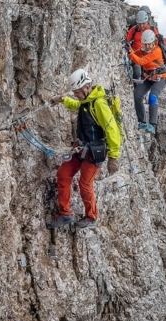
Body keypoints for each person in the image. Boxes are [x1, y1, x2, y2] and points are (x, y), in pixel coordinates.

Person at [47, 69, 121, 229]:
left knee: (85, 184)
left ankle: (91, 216)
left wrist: (114, 157)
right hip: (81, 148)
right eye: (74, 92)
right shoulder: (87, 100)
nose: (76, 95)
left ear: (86, 87)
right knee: (63, 174)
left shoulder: (99, 103)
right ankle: (65, 213)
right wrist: (63, 100)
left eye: (77, 92)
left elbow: (112, 129)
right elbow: (77, 105)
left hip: (94, 152)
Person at [128, 30, 166, 134]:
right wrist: (130, 51)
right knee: (137, 95)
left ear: (153, 42)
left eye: (149, 44)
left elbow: (141, 61)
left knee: (153, 96)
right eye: (145, 45)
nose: (147, 47)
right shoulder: (143, 49)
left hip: (161, 77)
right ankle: (142, 121)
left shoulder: (156, 51)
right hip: (149, 77)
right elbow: (134, 55)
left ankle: (152, 125)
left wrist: (132, 53)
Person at [125, 10, 159, 81]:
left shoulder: (153, 30)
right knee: (137, 72)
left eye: (143, 23)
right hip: (137, 56)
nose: (142, 26)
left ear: (147, 22)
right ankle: (137, 88)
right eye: (140, 24)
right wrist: (130, 51)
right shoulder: (134, 29)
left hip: (149, 57)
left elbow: (157, 44)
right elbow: (127, 41)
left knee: (148, 74)